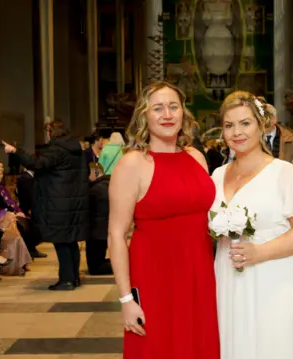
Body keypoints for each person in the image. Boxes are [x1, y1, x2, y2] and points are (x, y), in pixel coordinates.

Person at [211, 91, 293, 359]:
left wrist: (259, 252)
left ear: (261, 125)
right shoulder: (217, 176)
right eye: (229, 125)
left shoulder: (283, 173)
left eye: (245, 123)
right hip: (229, 278)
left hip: (274, 280)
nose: (237, 132)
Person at [108, 81, 219, 358]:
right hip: (155, 276)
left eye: (173, 107)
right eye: (158, 108)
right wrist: (126, 299)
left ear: (183, 113)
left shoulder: (196, 157)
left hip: (199, 273)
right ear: (145, 115)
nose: (167, 115)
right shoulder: (132, 163)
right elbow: (117, 235)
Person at [3, 119, 89, 290]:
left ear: (53, 132)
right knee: (70, 241)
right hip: (72, 200)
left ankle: (66, 280)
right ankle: (73, 277)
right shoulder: (75, 149)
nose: (46, 135)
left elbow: (36, 164)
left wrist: (15, 151)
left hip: (58, 201)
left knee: (61, 241)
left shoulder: (57, 150)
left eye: (48, 131)